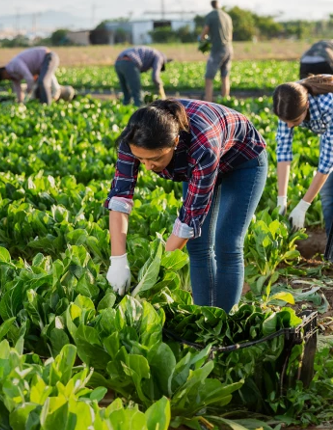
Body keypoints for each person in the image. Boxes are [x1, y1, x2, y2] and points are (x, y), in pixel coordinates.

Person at [105, 99, 267, 313]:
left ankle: (223, 323)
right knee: (197, 245)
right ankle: (203, 318)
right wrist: (118, 261)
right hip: (201, 162)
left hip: (243, 161)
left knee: (227, 243)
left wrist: (151, 274)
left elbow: (188, 220)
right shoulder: (135, 136)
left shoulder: (202, 146)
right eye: (140, 159)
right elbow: (120, 198)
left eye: (154, 158)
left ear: (174, 142)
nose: (146, 166)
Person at [272, 75, 333, 234]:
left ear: (306, 106)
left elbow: (327, 163)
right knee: (327, 193)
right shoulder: (286, 100)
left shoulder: (328, 106)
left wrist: (303, 205)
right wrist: (281, 199)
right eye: (286, 121)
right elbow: (283, 151)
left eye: (294, 120)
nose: (289, 125)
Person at [199, 0, 234, 102]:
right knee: (225, 76)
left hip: (217, 49)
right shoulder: (227, 16)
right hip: (229, 48)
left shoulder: (211, 16)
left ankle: (208, 101)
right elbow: (230, 34)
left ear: (212, 5)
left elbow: (205, 30)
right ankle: (225, 100)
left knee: (209, 77)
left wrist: (202, 38)